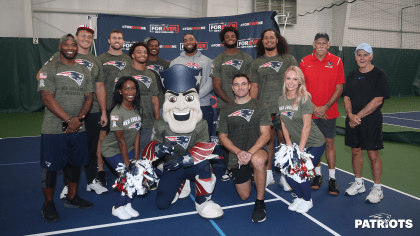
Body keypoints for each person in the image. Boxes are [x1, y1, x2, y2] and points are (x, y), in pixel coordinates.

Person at [142, 65, 224, 220]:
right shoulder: (160, 124)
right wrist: (158, 148)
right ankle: (180, 183)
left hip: (192, 165)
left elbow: (204, 148)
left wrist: (184, 160)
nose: (180, 106)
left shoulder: (201, 124)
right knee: (162, 204)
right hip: (172, 167)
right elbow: (150, 149)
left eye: (188, 98)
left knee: (204, 165)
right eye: (173, 99)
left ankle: (203, 201)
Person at [37, 26, 109, 197]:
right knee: (60, 158)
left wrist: (103, 112)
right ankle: (65, 189)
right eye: (83, 36)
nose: (86, 39)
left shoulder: (93, 61)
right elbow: (41, 78)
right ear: (75, 39)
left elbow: (98, 89)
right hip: (61, 116)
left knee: (88, 151)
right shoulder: (56, 59)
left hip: (88, 114)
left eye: (90, 37)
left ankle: (90, 183)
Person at [38, 34, 94, 222]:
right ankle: (48, 204)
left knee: (75, 164)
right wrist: (69, 119)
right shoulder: (49, 68)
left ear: (77, 48)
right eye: (66, 44)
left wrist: (78, 119)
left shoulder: (84, 71)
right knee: (51, 168)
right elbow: (46, 97)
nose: (70, 47)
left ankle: (72, 198)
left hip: (78, 126)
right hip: (54, 128)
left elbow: (89, 97)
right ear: (60, 47)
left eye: (73, 44)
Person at [218, 73, 271, 223]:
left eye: (243, 84)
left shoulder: (261, 106)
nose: (240, 87)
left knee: (259, 161)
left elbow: (266, 135)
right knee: (244, 196)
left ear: (249, 86)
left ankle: (260, 203)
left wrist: (249, 153)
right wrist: (239, 152)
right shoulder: (226, 109)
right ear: (232, 88)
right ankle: (251, 173)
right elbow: (222, 136)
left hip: (256, 151)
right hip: (237, 155)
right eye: (236, 84)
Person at [250, 28, 298, 187]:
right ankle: (268, 174)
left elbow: (297, 83)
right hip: (264, 109)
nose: (269, 40)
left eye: (272, 37)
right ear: (262, 41)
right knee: (268, 142)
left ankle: (286, 176)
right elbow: (254, 87)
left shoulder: (289, 59)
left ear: (277, 40)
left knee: (285, 141)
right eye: (266, 38)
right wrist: (254, 107)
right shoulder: (256, 62)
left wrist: (294, 103)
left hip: (285, 108)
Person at [343, 43, 389, 203]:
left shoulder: (379, 74)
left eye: (365, 55)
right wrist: (350, 115)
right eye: (359, 55)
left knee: (372, 154)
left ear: (371, 56)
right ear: (356, 57)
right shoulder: (351, 75)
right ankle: (358, 183)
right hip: (353, 120)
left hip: (371, 121)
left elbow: (378, 100)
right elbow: (346, 96)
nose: (362, 58)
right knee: (356, 151)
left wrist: (357, 117)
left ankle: (377, 189)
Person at [299, 33, 345, 195]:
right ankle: (317, 175)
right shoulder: (304, 61)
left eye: (324, 43)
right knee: (315, 145)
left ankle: (332, 178)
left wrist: (325, 107)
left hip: (329, 111)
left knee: (329, 143)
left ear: (328, 44)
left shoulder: (337, 61)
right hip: (310, 112)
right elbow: (301, 88)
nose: (321, 46)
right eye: (318, 43)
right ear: (313, 44)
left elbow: (339, 88)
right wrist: (314, 107)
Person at [170, 33, 214, 197]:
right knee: (185, 142)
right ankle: (185, 179)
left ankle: (205, 178)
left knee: (203, 142)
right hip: (182, 109)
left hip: (203, 106)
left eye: (191, 39)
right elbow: (172, 84)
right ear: (183, 43)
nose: (188, 42)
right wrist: (186, 101)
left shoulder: (208, 60)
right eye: (185, 40)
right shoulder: (175, 62)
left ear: (197, 42)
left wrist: (194, 98)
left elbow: (210, 82)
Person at [278, 66, 326, 213]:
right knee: (288, 172)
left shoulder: (305, 99)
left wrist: (299, 151)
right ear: (284, 80)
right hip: (296, 143)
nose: (291, 82)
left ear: (300, 81)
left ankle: (307, 200)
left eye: (295, 79)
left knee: (299, 171)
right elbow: (283, 124)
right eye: (288, 78)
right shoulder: (281, 99)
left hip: (315, 142)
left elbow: (306, 127)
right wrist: (288, 146)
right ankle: (299, 197)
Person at [210, 26, 253, 182]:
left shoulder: (247, 58)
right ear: (223, 40)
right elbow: (216, 86)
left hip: (246, 106)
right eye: (227, 36)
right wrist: (232, 103)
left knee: (247, 136)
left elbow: (250, 83)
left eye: (232, 36)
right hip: (225, 106)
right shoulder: (218, 59)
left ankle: (248, 166)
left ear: (237, 38)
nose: (230, 38)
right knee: (227, 138)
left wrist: (244, 103)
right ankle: (230, 168)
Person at [100, 76, 142, 220]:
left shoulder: (137, 109)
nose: (130, 91)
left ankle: (127, 204)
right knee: (127, 176)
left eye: (133, 88)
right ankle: (117, 207)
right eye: (126, 88)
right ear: (120, 91)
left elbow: (137, 135)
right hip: (112, 149)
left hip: (128, 147)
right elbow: (121, 142)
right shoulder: (116, 113)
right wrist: (127, 164)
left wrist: (136, 159)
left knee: (137, 174)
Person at [97, 29, 133, 185]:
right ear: (109, 41)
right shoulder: (100, 59)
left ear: (123, 41)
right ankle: (100, 171)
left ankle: (125, 168)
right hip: (106, 106)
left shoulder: (129, 59)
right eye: (114, 38)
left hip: (125, 107)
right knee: (102, 139)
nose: (117, 40)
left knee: (124, 138)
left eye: (120, 38)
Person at [119, 42, 159, 155]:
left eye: (145, 52)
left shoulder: (151, 75)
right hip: (129, 121)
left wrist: (157, 119)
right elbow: (118, 97)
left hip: (147, 122)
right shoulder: (124, 73)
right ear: (133, 55)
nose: (143, 54)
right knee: (128, 152)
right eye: (139, 52)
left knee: (145, 152)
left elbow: (154, 98)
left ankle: (143, 172)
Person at [144, 37, 170, 116]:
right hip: (144, 103)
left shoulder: (165, 64)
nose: (154, 47)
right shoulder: (141, 62)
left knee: (161, 127)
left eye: (156, 45)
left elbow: (168, 85)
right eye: (151, 45)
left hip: (162, 103)